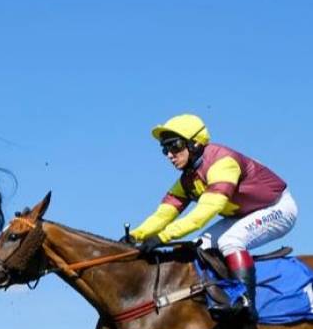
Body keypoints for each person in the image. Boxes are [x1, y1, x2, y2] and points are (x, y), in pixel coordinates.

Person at [126, 114, 297, 316]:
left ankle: (245, 302)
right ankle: (217, 296)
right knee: (200, 247)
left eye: (175, 146)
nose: (170, 155)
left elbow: (207, 210)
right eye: (165, 149)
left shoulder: (223, 162)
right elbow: (164, 213)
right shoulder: (187, 179)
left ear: (195, 144)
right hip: (244, 214)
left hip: (277, 208)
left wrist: (164, 236)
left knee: (230, 241)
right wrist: (136, 235)